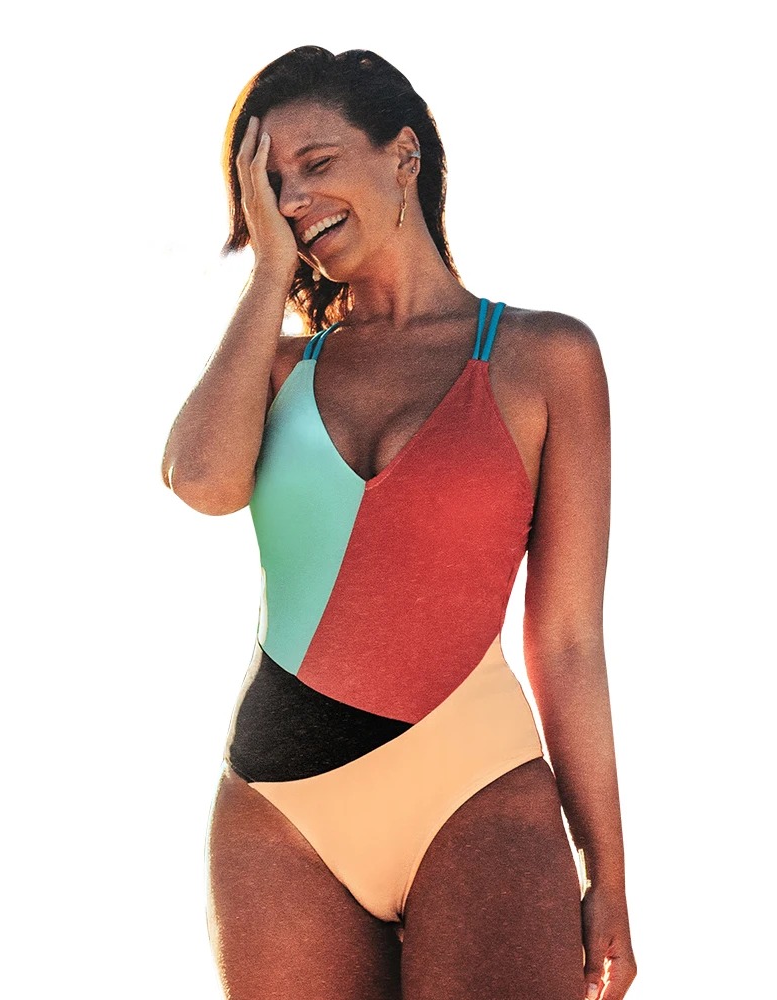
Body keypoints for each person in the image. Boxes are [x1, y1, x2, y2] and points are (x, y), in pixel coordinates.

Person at [161, 45, 635, 1000]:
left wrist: (608, 873)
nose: (295, 197)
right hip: (278, 818)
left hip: (475, 789)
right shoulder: (277, 369)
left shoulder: (544, 358)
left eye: (317, 163)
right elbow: (200, 481)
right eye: (270, 184)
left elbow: (567, 639)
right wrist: (269, 272)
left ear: (403, 154)